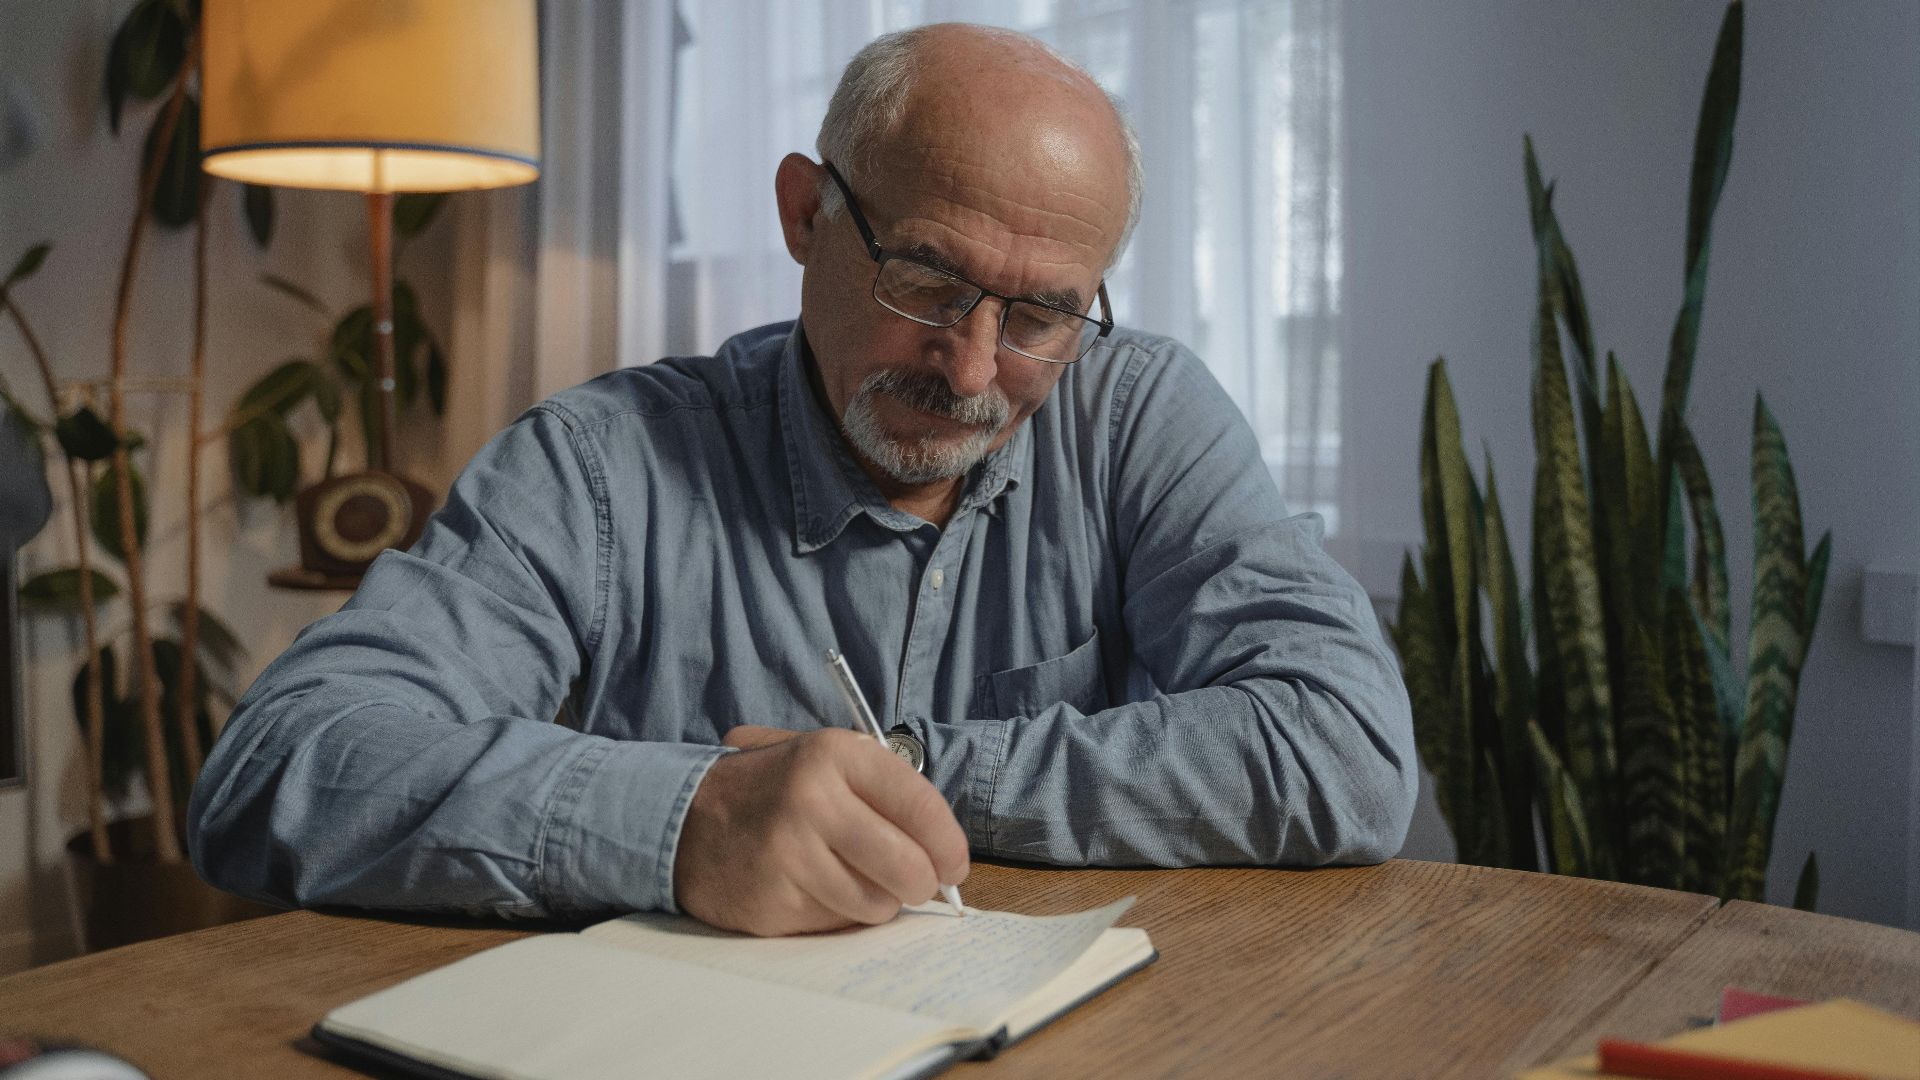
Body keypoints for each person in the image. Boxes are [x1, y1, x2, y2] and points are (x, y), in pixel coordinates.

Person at [189, 23, 1416, 938]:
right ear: (803, 212)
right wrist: (689, 821)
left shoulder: (1134, 410)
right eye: (928, 281)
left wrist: (920, 774)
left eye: (1041, 311)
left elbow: (1349, 749)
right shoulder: (599, 467)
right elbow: (280, 768)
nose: (974, 366)